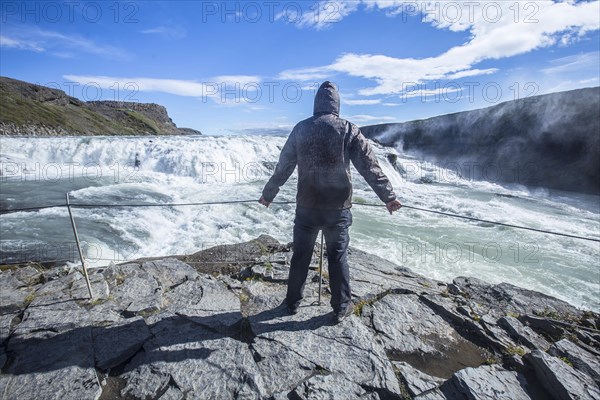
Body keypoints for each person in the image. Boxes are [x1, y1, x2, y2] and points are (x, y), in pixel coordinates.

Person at [259, 81, 402, 323]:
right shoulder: (348, 129)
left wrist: (268, 194)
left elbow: (284, 166)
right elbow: (369, 167)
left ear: (316, 103)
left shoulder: (300, 129)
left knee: (300, 256)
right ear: (337, 103)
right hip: (338, 209)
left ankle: (292, 303)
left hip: (307, 207)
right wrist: (388, 197)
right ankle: (340, 307)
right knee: (337, 257)